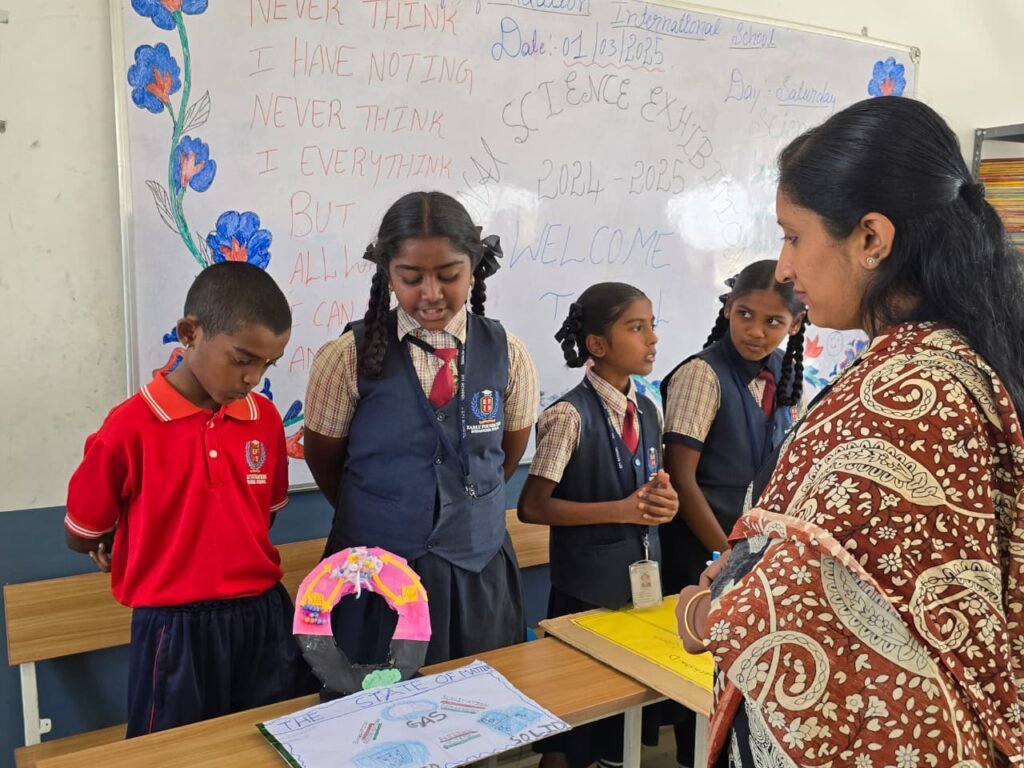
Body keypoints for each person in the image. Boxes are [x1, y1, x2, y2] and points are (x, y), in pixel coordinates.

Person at [680, 96, 1024, 766]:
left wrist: (703, 610)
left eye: (793, 236)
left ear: (871, 239)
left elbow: (796, 613)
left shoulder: (907, 398)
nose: (785, 267)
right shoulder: (956, 361)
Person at [65, 262, 316, 737]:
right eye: (242, 359)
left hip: (263, 616)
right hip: (174, 631)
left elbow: (262, 517)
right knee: (172, 754)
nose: (253, 377)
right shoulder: (128, 427)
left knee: (276, 742)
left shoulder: (264, 418)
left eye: (268, 364)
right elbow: (82, 533)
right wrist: (114, 537)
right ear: (189, 333)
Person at [303, 191, 539, 672]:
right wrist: (385, 509)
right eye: (411, 278)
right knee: (377, 702)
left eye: (448, 275)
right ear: (388, 274)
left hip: (477, 577)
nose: (430, 293)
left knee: (478, 701)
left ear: (474, 268)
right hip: (374, 583)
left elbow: (505, 455)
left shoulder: (509, 353)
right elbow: (325, 460)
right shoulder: (344, 357)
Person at [518, 282, 679, 768]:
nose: (652, 339)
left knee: (620, 726)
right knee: (571, 730)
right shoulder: (569, 415)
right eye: (636, 328)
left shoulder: (647, 409)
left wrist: (664, 503)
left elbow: (646, 491)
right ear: (597, 345)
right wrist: (621, 510)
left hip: (638, 592)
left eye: (652, 326)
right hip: (584, 596)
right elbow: (533, 507)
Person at [660, 259, 804, 766]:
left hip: (748, 558)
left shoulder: (785, 373)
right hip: (700, 550)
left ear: (795, 325)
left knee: (737, 677)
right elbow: (682, 478)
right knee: (694, 679)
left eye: (773, 321)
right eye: (745, 314)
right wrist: (726, 552)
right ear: (727, 309)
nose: (756, 330)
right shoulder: (702, 375)